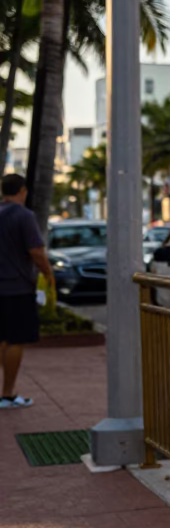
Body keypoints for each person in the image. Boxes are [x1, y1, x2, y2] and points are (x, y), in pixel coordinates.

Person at [0, 174, 56, 408]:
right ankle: (8, 394)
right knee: (15, 340)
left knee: (2, 338)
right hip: (16, 287)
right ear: (23, 190)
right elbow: (36, 251)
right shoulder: (24, 216)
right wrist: (48, 275)